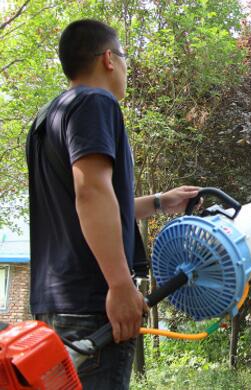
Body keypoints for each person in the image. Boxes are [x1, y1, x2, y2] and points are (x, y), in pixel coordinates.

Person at [26, 19, 199, 389]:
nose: (124, 68)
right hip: (94, 304)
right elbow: (91, 193)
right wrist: (120, 285)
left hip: (53, 303)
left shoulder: (48, 117)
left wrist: (158, 202)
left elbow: (85, 203)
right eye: (123, 58)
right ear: (108, 58)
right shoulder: (95, 102)